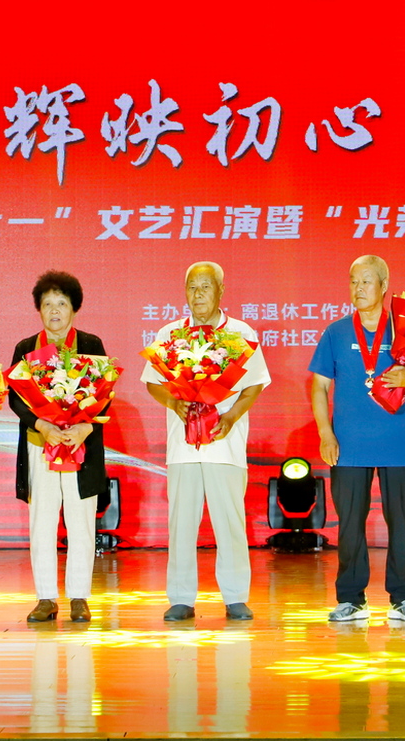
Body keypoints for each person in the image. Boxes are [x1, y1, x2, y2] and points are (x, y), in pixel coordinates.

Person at [309, 255, 405, 624]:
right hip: (348, 445)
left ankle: (404, 598)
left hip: (399, 443)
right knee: (350, 524)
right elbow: (319, 387)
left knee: (402, 524)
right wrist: (325, 432)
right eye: (353, 281)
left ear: (384, 286)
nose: (358, 288)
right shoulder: (336, 332)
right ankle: (350, 598)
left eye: (366, 281)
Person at [141, 261, 271, 622]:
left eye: (206, 287)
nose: (198, 295)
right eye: (192, 288)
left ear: (221, 291)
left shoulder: (240, 332)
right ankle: (181, 598)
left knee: (230, 522)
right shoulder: (170, 333)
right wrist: (173, 402)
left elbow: (255, 383)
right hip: (182, 447)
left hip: (225, 444)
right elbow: (152, 381)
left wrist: (231, 416)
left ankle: (235, 597)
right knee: (181, 523)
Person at [9, 271, 108, 624]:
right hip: (42, 444)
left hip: (81, 445)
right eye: (47, 304)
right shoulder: (26, 348)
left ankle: (79, 597)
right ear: (38, 309)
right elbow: (16, 398)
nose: (54, 311)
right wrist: (42, 425)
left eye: (61, 304)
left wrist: (84, 427)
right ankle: (46, 598)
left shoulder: (91, 344)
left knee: (81, 521)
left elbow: (104, 393)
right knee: (43, 521)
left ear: (74, 308)